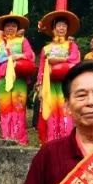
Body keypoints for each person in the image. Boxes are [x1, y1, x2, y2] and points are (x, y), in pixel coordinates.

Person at [36, 10, 82, 144]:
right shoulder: (46, 48)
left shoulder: (71, 45)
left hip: (66, 84)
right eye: (59, 25)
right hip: (49, 85)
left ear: (67, 29)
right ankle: (52, 142)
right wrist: (39, 86)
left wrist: (55, 60)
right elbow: (41, 69)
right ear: (54, 28)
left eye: (64, 26)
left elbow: (74, 60)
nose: (61, 28)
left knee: (66, 111)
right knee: (51, 112)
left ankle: (67, 141)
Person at [0, 14, 35, 145]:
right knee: (5, 108)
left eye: (13, 26)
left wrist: (18, 56)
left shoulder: (22, 41)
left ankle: (19, 138)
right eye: (8, 26)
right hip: (2, 78)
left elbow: (30, 55)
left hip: (18, 78)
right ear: (3, 28)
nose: (10, 28)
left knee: (18, 106)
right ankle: (6, 137)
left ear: (17, 28)